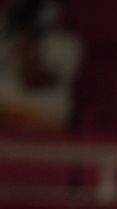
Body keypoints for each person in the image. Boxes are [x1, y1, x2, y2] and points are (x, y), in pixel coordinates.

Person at [0, 0, 81, 135]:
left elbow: (31, 79)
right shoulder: (5, 32)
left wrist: (27, 42)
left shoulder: (68, 44)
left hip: (42, 113)